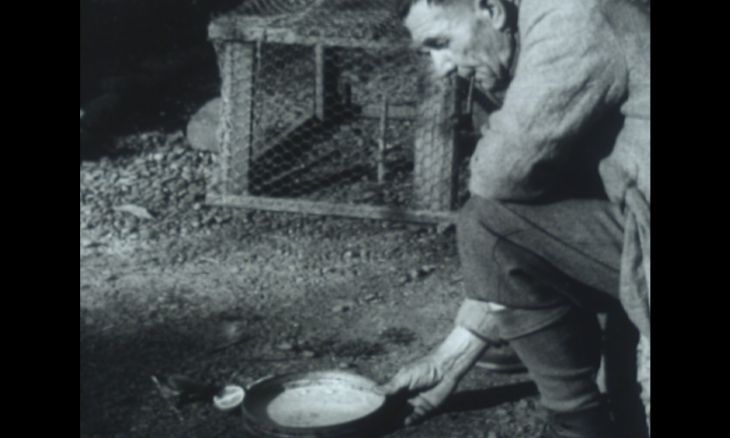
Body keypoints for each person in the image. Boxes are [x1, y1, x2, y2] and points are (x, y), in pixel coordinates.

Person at [377, 1, 650, 437]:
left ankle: (579, 427)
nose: (441, 68)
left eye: (441, 43)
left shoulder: (571, 16)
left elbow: (501, 175)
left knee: (485, 220)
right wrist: (450, 360)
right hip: (635, 218)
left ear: (489, 8)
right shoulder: (524, 34)